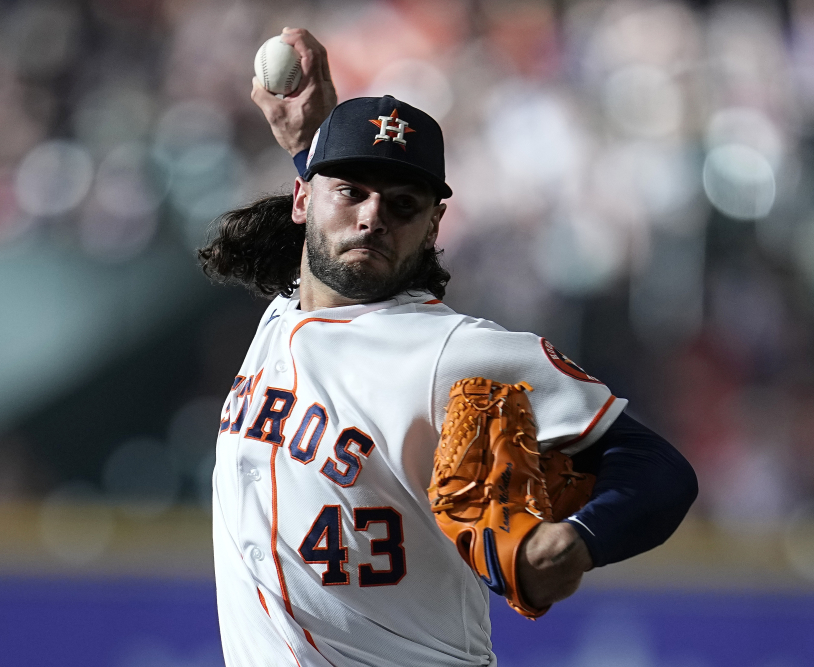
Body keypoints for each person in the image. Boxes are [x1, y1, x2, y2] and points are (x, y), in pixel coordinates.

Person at [200, 28, 697, 667]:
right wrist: (317, 140)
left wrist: (574, 543)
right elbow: (328, 234)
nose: (373, 217)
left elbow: (659, 469)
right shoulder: (283, 313)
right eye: (352, 192)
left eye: (403, 205)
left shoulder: (453, 352)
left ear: (434, 226)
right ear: (303, 198)